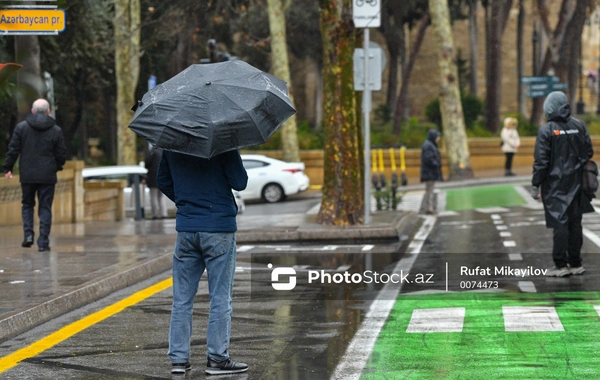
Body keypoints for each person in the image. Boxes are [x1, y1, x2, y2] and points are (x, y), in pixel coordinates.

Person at [157, 149, 249, 375]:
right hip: (218, 227)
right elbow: (240, 182)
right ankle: (217, 358)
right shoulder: (222, 144)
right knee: (219, 296)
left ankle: (179, 359)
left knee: (181, 299)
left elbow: (162, 181)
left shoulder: (173, 144)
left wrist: (185, 203)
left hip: (187, 229)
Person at [532, 91, 594, 277]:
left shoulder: (547, 130)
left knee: (560, 223)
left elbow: (541, 162)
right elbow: (588, 151)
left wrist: (536, 184)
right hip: (577, 182)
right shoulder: (579, 125)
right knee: (575, 223)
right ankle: (575, 263)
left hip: (555, 184)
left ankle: (560, 265)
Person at [3, 99, 66, 252]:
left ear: (32, 111)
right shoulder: (56, 130)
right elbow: (61, 154)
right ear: (48, 111)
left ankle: (28, 236)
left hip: (28, 174)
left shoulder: (21, 128)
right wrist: (56, 167)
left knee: (27, 205)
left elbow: (13, 149)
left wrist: (8, 167)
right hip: (47, 175)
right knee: (45, 207)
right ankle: (43, 242)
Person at [420, 129, 443, 215]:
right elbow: (428, 159)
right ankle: (429, 208)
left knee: (430, 190)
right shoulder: (429, 146)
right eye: (437, 136)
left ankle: (429, 207)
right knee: (429, 190)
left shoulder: (430, 145)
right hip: (429, 172)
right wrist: (436, 164)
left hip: (430, 172)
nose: (438, 138)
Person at [144, 146, 167, 219]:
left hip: (153, 178)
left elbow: (147, 163)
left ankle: (155, 214)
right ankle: (164, 213)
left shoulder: (152, 151)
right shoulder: (163, 151)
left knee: (153, 197)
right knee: (161, 197)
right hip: (162, 177)